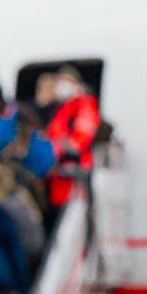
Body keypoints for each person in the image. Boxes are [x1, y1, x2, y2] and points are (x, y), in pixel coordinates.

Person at [44, 67, 103, 210]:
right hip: (60, 180)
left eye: (67, 82)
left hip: (75, 181)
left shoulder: (84, 106)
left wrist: (55, 149)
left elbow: (80, 141)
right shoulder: (63, 108)